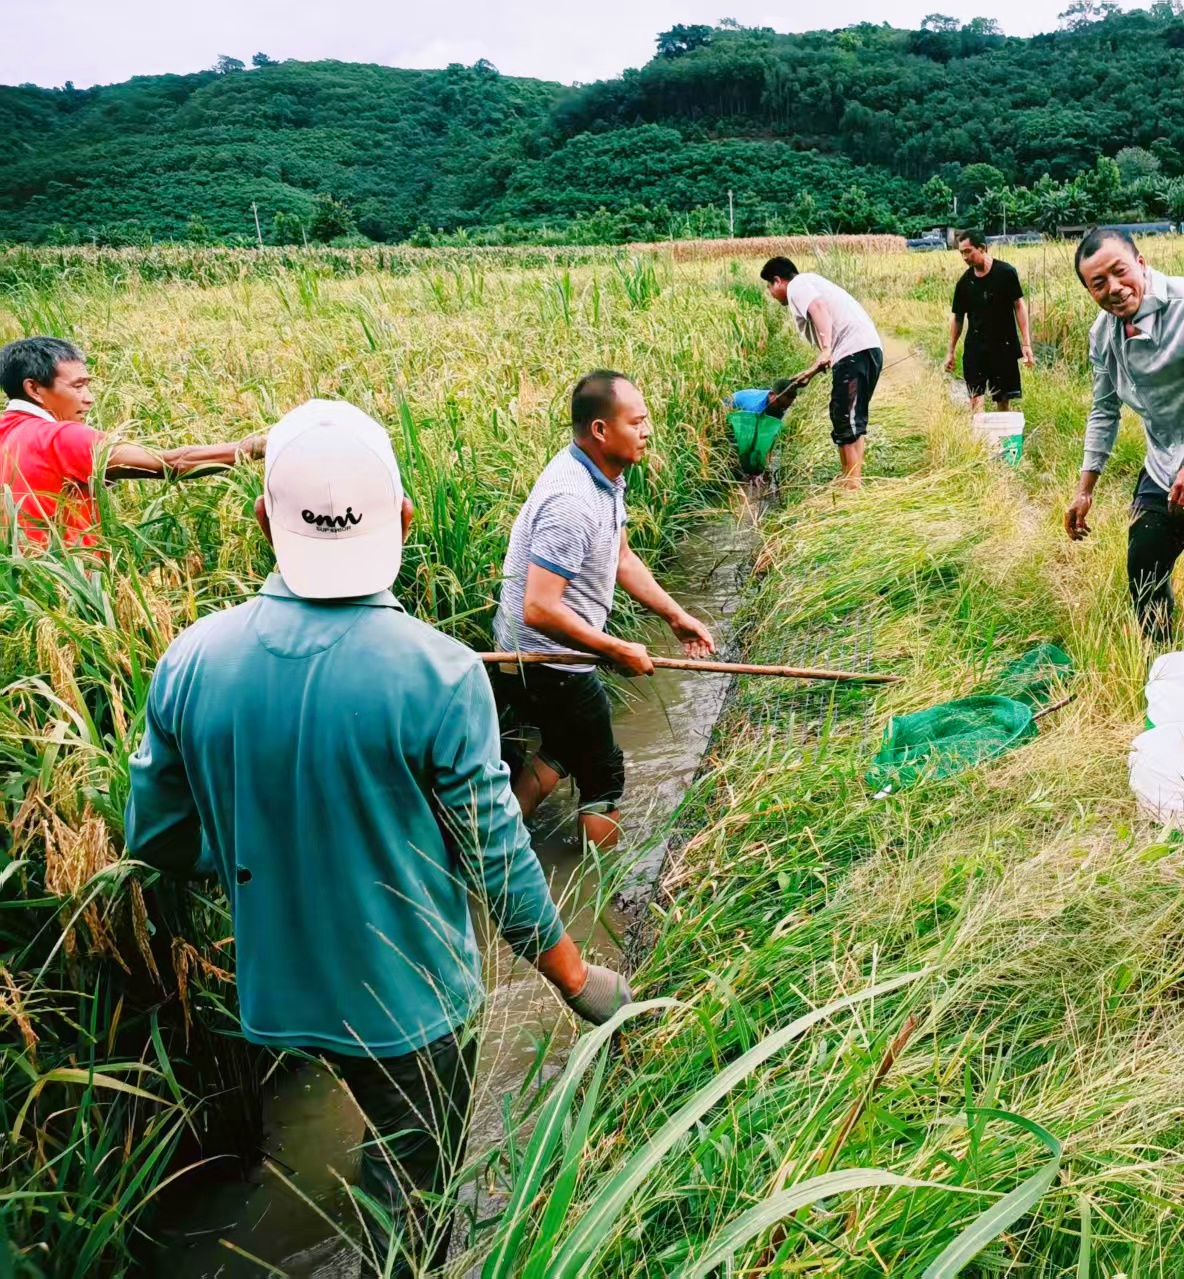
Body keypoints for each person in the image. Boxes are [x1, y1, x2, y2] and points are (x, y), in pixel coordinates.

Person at [125, 399, 631, 1270]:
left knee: (370, 1121)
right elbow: (498, 858)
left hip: (278, 992)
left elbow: (161, 837)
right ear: (402, 516)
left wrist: (270, 854)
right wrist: (577, 978)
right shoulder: (436, 671)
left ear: (263, 521)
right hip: (410, 1000)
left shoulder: (192, 657)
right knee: (414, 1191)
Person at [491, 370, 715, 850]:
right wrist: (615, 649)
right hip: (546, 662)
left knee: (564, 746)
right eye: (636, 422)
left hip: (533, 657)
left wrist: (675, 616)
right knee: (604, 778)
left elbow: (621, 556)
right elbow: (539, 608)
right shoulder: (572, 499)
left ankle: (498, 846)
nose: (647, 431)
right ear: (600, 430)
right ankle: (602, 891)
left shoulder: (603, 477)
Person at [1063, 227, 1184, 656]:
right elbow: (1104, 410)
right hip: (1164, 464)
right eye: (1098, 283)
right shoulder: (1104, 335)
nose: (1114, 289)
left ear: (1140, 262)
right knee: (1144, 564)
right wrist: (1085, 489)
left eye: (1119, 272)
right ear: (1089, 290)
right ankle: (1160, 664)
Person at [0, 336, 261, 545]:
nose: (89, 398)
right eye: (78, 386)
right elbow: (171, 463)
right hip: (66, 590)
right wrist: (257, 447)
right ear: (34, 389)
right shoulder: (62, 436)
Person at [760, 257, 884, 487]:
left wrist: (826, 349)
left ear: (778, 281)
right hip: (862, 351)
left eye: (769, 286)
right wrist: (812, 371)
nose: (770, 292)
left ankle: (852, 485)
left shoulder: (798, 285)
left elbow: (818, 308)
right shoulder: (810, 283)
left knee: (845, 418)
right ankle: (849, 478)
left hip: (855, 352)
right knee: (848, 418)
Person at [944, 230, 1034, 412]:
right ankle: (979, 440)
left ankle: (1002, 438)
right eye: (961, 252)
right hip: (975, 349)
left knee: (1004, 401)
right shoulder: (964, 283)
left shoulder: (1006, 273)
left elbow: (1019, 305)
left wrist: (1026, 343)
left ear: (983, 248)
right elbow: (958, 318)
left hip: (1003, 347)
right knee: (976, 401)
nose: (964, 257)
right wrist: (951, 351)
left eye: (968, 251)